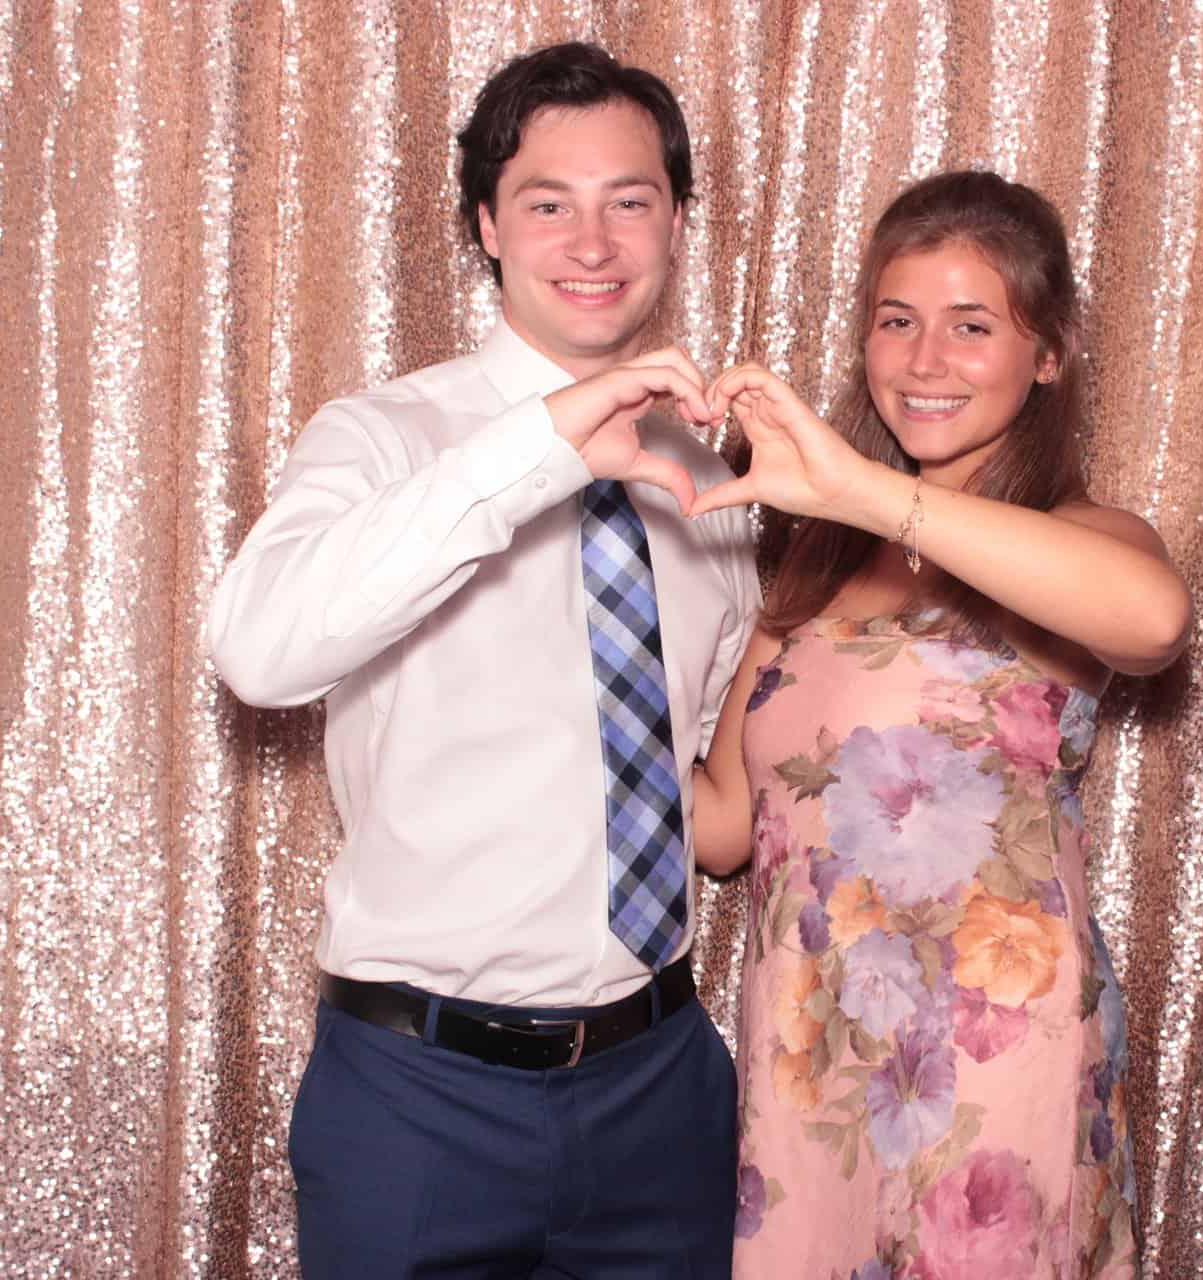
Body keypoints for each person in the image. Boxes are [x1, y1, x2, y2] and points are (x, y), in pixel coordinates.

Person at [207, 42, 758, 1280]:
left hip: (661, 1085)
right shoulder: (384, 437)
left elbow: (707, 769)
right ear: (487, 226)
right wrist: (549, 443)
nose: (594, 241)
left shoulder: (719, 483)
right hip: (419, 1096)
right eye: (548, 203)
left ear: (676, 221)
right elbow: (258, 649)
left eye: (631, 200)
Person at [689, 170, 1192, 1279]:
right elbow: (725, 824)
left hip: (989, 1060)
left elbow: (1155, 620)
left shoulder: (1081, 536)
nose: (925, 361)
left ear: (1047, 354)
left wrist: (867, 490)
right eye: (897, 322)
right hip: (813, 1054)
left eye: (972, 326)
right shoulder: (813, 564)